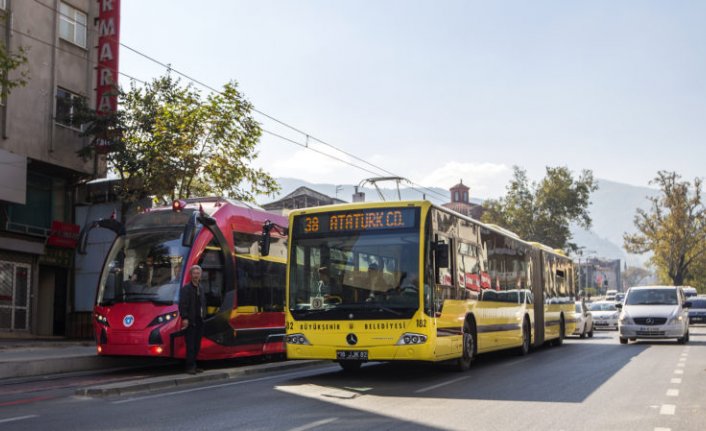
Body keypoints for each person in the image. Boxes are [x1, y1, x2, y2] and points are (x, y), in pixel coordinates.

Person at [179, 265, 207, 374]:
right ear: (191, 275)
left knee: (197, 345)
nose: (196, 275)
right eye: (194, 273)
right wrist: (184, 317)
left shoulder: (201, 288)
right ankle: (189, 367)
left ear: (200, 275)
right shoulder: (186, 288)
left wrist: (204, 315)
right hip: (191, 320)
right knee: (190, 345)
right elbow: (183, 304)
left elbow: (203, 303)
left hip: (200, 320)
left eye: (198, 273)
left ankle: (194, 365)